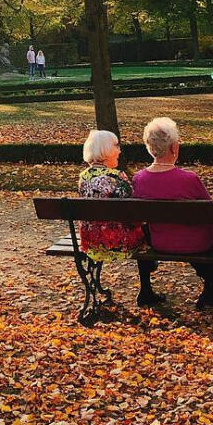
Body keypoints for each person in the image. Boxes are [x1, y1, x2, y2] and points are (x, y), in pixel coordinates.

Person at [132, 116, 213, 310]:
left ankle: (146, 289)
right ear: (174, 148)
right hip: (198, 243)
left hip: (160, 241)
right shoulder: (189, 179)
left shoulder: (139, 179)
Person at [76, 130, 148, 304]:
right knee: (146, 233)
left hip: (91, 242)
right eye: (116, 146)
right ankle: (147, 289)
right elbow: (133, 215)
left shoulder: (83, 178)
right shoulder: (118, 177)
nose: (119, 150)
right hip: (119, 243)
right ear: (105, 150)